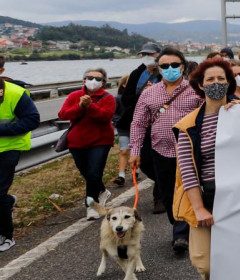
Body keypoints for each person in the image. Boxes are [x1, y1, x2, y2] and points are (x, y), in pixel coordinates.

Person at [174, 58, 240, 280]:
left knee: (237, 260)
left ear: (230, 83)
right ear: (199, 84)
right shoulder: (188, 125)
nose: (216, 83)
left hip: (238, 200)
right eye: (209, 79)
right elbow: (187, 170)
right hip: (205, 198)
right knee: (204, 262)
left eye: (221, 78)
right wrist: (198, 207)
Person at [130, 46, 202, 254]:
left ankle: (181, 234)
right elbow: (138, 123)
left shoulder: (196, 90)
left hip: (189, 151)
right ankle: (178, 223)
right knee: (167, 193)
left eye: (174, 65)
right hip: (160, 150)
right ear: (158, 69)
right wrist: (134, 150)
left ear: (183, 66)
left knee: (188, 189)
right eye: (164, 66)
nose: (170, 69)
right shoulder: (149, 93)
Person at [58, 68, 118, 220]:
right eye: (90, 77)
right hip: (77, 142)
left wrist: (90, 106)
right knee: (87, 173)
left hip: (100, 141)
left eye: (98, 79)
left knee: (93, 172)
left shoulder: (108, 98)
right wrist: (79, 106)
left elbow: (105, 116)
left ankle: (91, 205)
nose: (93, 81)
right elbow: (63, 114)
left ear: (103, 82)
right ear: (84, 80)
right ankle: (102, 190)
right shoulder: (74, 96)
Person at [0, 71, 40, 252]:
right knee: (1, 197)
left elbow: (33, 120)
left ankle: (6, 236)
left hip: (9, 147)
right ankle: (8, 201)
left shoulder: (15, 93)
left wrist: (2, 130)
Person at [113, 42, 161, 189]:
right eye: (144, 54)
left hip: (160, 120)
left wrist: (157, 91)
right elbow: (126, 98)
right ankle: (161, 185)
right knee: (145, 161)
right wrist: (143, 95)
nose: (147, 57)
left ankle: (159, 196)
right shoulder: (136, 73)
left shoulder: (165, 72)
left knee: (159, 159)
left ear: (158, 54)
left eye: (151, 54)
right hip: (140, 120)